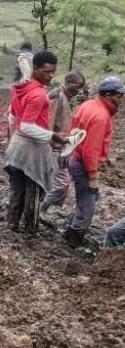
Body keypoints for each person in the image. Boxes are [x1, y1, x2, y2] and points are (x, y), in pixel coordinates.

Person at [4, 51, 67, 235]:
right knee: (34, 194)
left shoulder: (19, 88)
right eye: (47, 71)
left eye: (53, 72)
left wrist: (11, 141)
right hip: (32, 151)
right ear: (36, 69)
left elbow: (12, 118)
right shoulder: (38, 95)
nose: (51, 75)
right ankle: (30, 233)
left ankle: (11, 226)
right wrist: (54, 136)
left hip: (16, 149)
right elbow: (26, 127)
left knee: (17, 192)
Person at [63, 77, 124, 247]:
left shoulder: (89, 105)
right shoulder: (101, 116)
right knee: (88, 205)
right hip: (82, 163)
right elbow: (91, 150)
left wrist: (103, 159)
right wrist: (93, 176)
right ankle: (74, 241)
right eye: (119, 95)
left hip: (74, 156)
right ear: (108, 95)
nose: (121, 99)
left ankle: (71, 228)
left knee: (89, 198)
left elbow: (74, 127)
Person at [41, 71, 86, 214]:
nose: (79, 90)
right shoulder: (57, 97)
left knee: (59, 182)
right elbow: (48, 126)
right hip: (53, 148)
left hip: (60, 148)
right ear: (69, 83)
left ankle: (46, 210)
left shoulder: (65, 97)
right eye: (78, 86)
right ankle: (42, 210)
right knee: (61, 183)